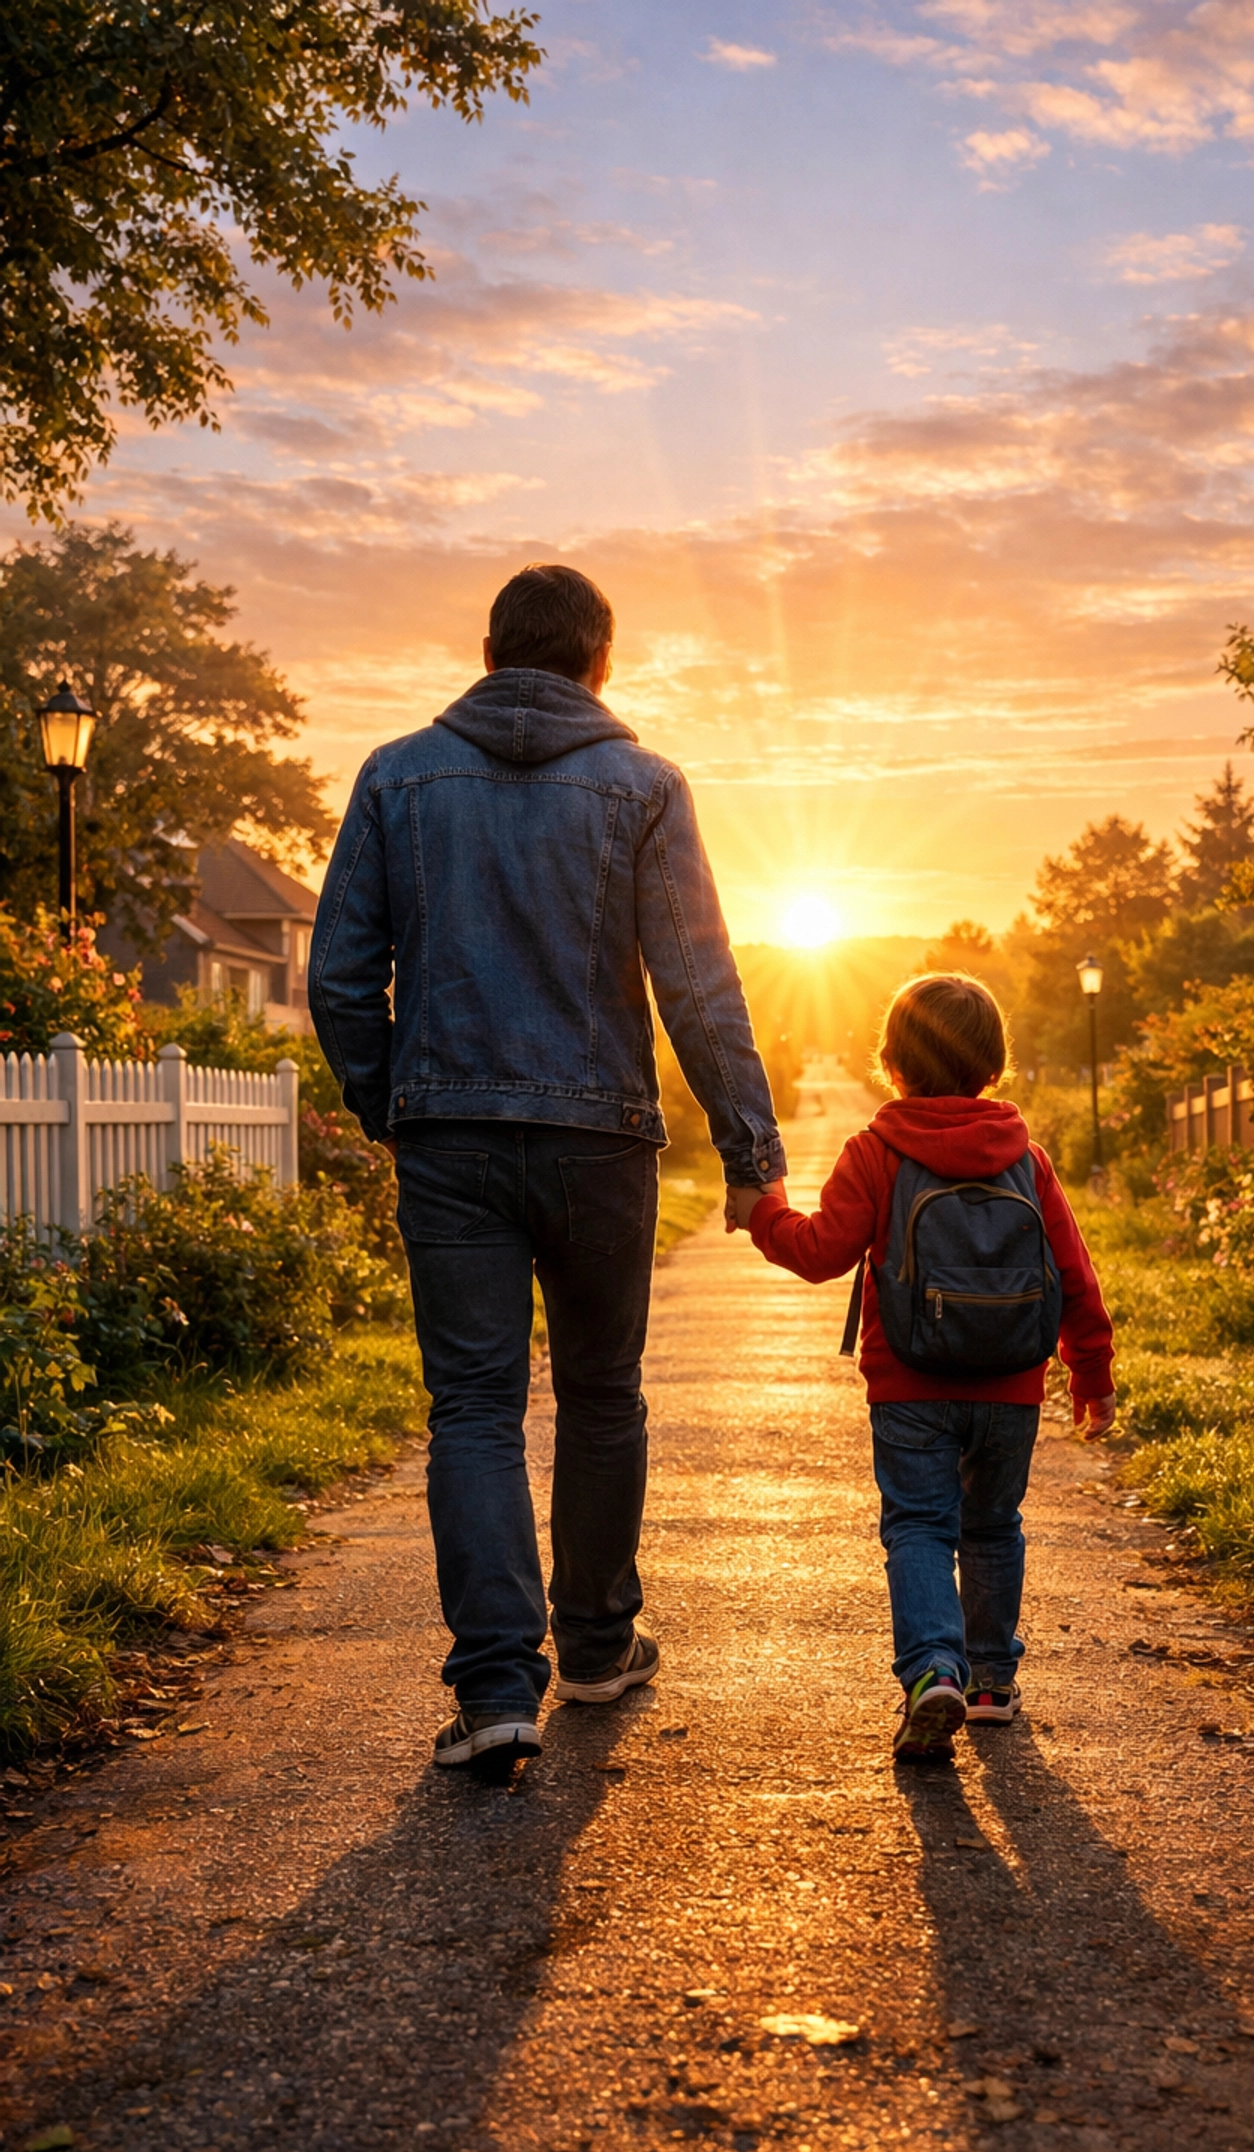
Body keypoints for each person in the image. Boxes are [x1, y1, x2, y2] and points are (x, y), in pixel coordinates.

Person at [310, 563, 785, 1776]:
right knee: (600, 1392)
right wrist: (749, 1152)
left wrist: (392, 1104)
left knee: (473, 1404)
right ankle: (592, 1644)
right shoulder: (645, 786)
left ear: (488, 650)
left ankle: (494, 1692)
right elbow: (697, 982)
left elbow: (338, 980)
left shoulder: (395, 777)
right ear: (600, 662)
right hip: (599, 1141)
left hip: (449, 1137)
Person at [727, 974, 1114, 1762]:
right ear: (994, 1064)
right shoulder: (1028, 1160)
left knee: (919, 1527)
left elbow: (819, 1252)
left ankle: (936, 1667)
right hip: (1012, 1384)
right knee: (993, 1525)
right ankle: (992, 1683)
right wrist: (1092, 1374)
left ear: (892, 1064)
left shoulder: (876, 1152)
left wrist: (761, 1210)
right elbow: (1073, 1272)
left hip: (909, 1382)